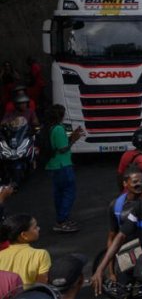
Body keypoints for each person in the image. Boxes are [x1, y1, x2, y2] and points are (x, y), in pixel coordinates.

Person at [44, 104, 82, 233]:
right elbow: (63, 148)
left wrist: (71, 137)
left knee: (59, 194)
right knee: (68, 193)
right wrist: (73, 140)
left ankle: (62, 219)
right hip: (62, 165)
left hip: (55, 165)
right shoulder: (59, 129)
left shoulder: (52, 128)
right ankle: (62, 221)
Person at [0, 215, 50, 286]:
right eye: (35, 227)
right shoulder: (41, 254)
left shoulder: (1, 255)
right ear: (24, 235)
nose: (38, 228)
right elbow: (41, 285)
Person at [108, 166, 142, 252]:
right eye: (135, 181)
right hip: (128, 255)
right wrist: (111, 265)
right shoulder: (115, 206)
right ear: (125, 183)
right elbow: (112, 237)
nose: (140, 184)